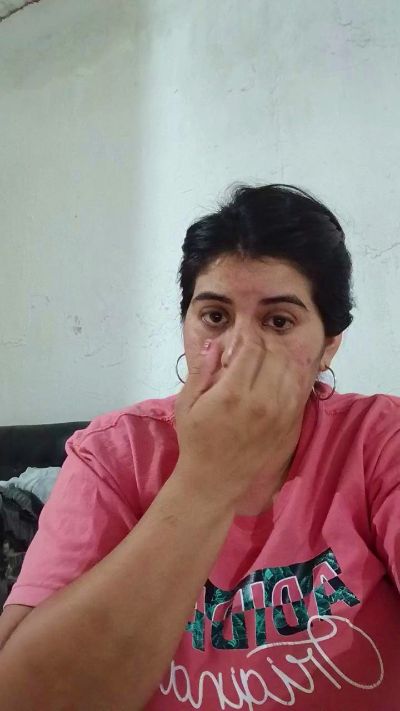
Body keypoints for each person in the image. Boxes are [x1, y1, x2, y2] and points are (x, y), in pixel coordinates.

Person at [0, 184, 399, 711]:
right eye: (215, 316)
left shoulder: (379, 439)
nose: (237, 351)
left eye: (278, 321)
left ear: (329, 344)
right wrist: (207, 478)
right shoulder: (113, 453)